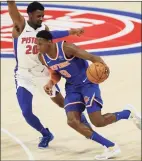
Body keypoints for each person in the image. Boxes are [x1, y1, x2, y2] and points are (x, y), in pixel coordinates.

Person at [36, 30, 141, 160]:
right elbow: (57, 73)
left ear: (49, 42)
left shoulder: (66, 48)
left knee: (98, 122)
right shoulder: (42, 57)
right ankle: (110, 147)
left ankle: (127, 113)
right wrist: (51, 83)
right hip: (72, 88)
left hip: (88, 83)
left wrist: (103, 70)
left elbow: (93, 58)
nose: (37, 47)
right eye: (37, 44)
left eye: (40, 44)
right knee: (72, 121)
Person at [7, 1, 92, 149]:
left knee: (62, 103)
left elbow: (52, 35)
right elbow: (12, 8)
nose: (41, 18)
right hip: (23, 75)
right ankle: (46, 134)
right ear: (30, 14)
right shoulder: (20, 26)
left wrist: (71, 31)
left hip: (42, 74)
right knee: (26, 112)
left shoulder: (43, 29)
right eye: (39, 16)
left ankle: (82, 119)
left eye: (43, 16)